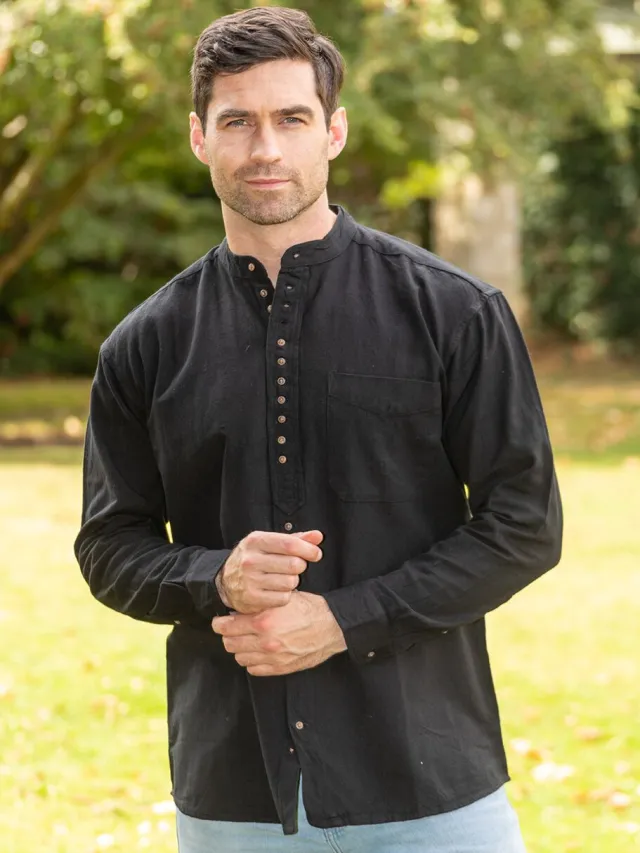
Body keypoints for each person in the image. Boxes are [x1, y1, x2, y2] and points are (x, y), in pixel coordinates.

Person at [74, 6, 563, 852]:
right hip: (234, 797)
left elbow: (525, 525)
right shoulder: (144, 345)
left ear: (333, 131)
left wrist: (344, 619)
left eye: (292, 118)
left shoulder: (455, 313)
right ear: (199, 137)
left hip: (430, 785)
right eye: (238, 121)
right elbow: (108, 545)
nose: (266, 148)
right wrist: (215, 576)